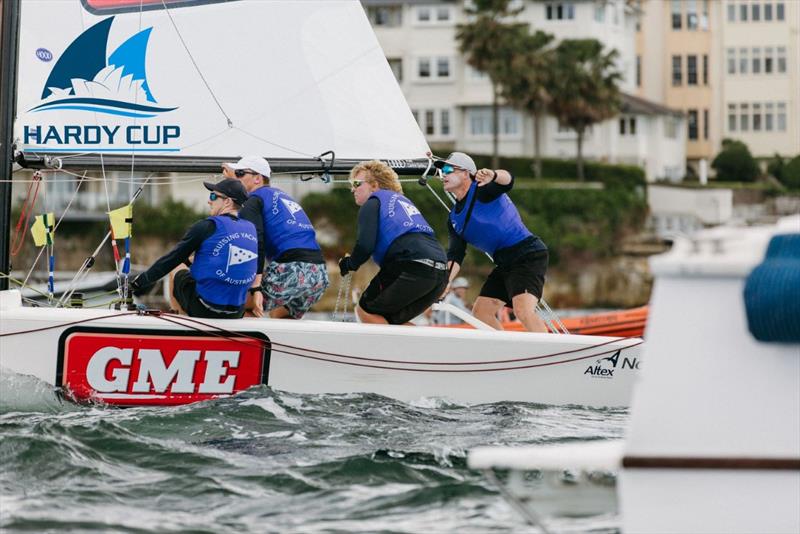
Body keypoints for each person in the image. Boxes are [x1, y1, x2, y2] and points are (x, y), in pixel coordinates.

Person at [435, 152, 549, 333]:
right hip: (504, 262)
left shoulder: (483, 190)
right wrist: (445, 281)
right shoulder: (453, 219)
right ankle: (506, 353)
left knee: (523, 311)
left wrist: (494, 175)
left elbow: (508, 180)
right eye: (441, 170)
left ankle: (549, 354)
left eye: (448, 169)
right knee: (481, 312)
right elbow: (456, 255)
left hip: (527, 253)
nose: (443, 175)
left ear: (466, 173)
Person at [338, 160, 448, 325]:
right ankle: (426, 350)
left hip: (411, 265)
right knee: (393, 319)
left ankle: (383, 351)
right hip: (440, 271)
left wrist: (349, 264)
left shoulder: (373, 202)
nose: (353, 189)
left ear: (374, 186)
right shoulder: (403, 202)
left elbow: (365, 245)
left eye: (356, 183)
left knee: (365, 310)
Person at [131, 178, 258, 318]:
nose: (209, 201)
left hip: (205, 309)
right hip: (237, 312)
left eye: (213, 196)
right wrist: (189, 261)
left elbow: (171, 259)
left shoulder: (207, 226)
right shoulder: (251, 228)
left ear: (227, 201)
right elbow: (227, 259)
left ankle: (182, 321)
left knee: (176, 268)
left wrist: (138, 283)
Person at [223, 156, 329, 319]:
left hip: (292, 269)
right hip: (319, 274)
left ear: (258, 179)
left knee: (232, 305)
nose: (235, 178)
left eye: (240, 173)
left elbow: (254, 243)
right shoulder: (280, 195)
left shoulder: (252, 200)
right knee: (280, 314)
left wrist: (256, 287)